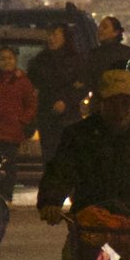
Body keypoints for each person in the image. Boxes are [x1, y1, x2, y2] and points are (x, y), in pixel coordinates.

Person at [37, 71, 130, 260]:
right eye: (113, 103)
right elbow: (60, 171)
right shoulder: (79, 135)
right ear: (101, 103)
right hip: (89, 228)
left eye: (126, 102)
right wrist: (51, 201)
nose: (120, 110)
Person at [27, 23, 93, 162]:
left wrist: (66, 101)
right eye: (49, 35)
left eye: (55, 35)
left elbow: (82, 85)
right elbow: (32, 84)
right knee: (50, 156)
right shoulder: (40, 60)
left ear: (65, 37)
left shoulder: (76, 60)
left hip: (69, 118)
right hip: (46, 117)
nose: (51, 39)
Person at [0, 46, 39, 174]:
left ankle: (5, 192)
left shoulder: (23, 82)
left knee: (9, 165)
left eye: (10, 58)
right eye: (3, 59)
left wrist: (22, 121)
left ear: (15, 60)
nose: (6, 61)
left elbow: (31, 105)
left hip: (13, 132)